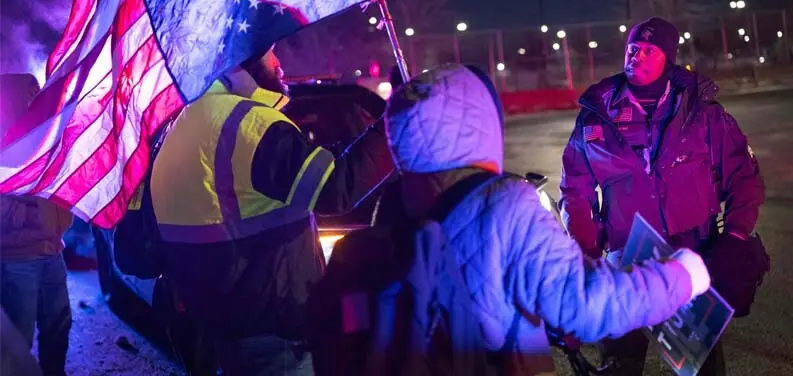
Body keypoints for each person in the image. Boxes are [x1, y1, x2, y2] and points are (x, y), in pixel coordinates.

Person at [377, 63, 712, 375]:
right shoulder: (504, 203)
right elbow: (586, 304)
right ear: (477, 122)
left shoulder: (392, 204)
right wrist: (679, 277)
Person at [149, 36, 393, 375]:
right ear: (240, 61)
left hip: (217, 322)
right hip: (270, 330)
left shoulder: (187, 122)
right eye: (269, 53)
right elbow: (335, 188)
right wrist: (396, 121)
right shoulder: (245, 122)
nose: (279, 62)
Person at [559, 17, 767, 374]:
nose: (636, 56)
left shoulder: (702, 113)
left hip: (692, 258)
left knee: (700, 362)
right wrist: (586, 251)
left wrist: (734, 237)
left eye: (648, 50)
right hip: (624, 259)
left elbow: (744, 176)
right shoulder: (597, 114)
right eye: (632, 48)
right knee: (619, 362)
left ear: (667, 58)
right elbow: (575, 189)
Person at [0, 73, 73, 376]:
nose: (35, 100)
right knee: (18, 339)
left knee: (58, 324)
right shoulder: (5, 143)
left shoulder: (41, 139)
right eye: (29, 95)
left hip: (52, 250)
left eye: (36, 93)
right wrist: (29, 215)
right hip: (18, 258)